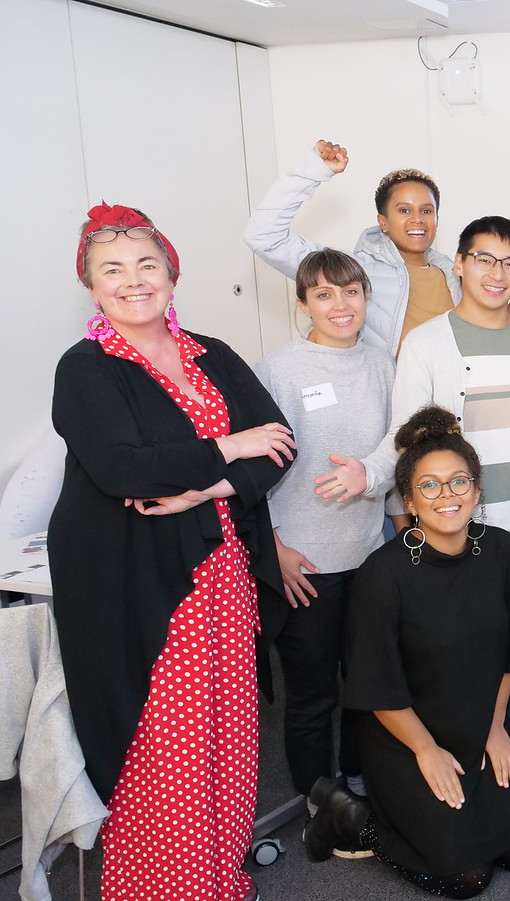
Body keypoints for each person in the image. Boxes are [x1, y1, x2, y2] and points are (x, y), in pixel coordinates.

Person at [51, 203, 294, 900]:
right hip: (141, 590)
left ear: (172, 272)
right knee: (165, 755)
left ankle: (217, 879)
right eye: (113, 270)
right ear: (92, 286)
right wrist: (227, 446)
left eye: (147, 265)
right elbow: (122, 468)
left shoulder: (211, 353)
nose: (133, 281)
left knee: (227, 735)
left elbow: (277, 442)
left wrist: (203, 485)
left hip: (224, 576)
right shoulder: (87, 367)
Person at [362, 215, 510, 783]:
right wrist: (398, 511)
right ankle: (451, 757)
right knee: (463, 653)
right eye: (485, 260)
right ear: (459, 264)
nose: (498, 273)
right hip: (458, 533)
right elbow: (407, 438)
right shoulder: (426, 343)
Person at [308, 407, 510, 899]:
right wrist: (425, 750)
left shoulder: (499, 551)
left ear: (477, 490)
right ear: (410, 500)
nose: (447, 496)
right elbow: (376, 683)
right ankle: (354, 819)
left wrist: (495, 727)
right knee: (466, 879)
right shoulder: (384, 574)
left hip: (479, 723)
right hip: (405, 734)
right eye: (430, 486)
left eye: (459, 482)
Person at [253, 249, 393, 816]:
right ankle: (319, 800)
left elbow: (398, 443)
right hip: (302, 563)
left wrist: (372, 479)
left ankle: (361, 782)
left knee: (367, 684)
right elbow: (250, 473)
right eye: (325, 294)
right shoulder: (278, 370)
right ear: (303, 304)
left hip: (369, 554)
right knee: (313, 693)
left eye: (351, 291)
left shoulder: (382, 363)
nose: (341, 305)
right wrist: (274, 550)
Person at [244, 139, 510, 357]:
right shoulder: (353, 272)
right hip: (390, 408)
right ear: (383, 221)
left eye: (426, 211)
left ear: (437, 218)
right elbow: (264, 235)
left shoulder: (454, 272)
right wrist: (313, 171)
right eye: (404, 210)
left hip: (452, 410)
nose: (417, 219)